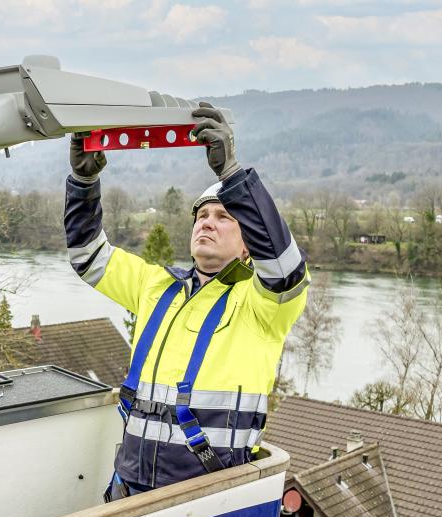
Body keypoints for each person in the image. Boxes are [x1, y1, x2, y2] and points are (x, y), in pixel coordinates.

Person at [64, 102, 308, 496]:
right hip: (128, 490)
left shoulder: (261, 304)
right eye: (202, 215)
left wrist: (232, 175)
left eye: (225, 216)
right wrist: (82, 183)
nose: (208, 221)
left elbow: (284, 268)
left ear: (250, 245)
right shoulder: (156, 286)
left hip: (205, 501)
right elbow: (87, 256)